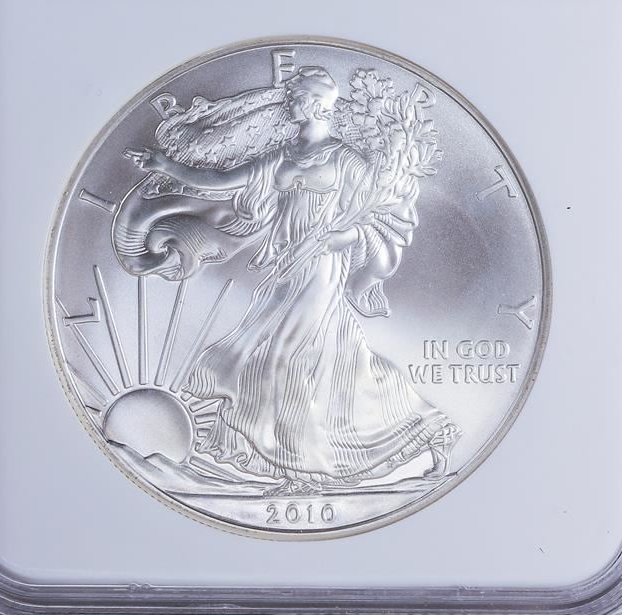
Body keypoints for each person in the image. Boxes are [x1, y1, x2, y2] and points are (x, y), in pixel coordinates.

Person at [125, 66, 458, 492]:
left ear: (317, 105)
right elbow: (224, 181)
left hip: (322, 265)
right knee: (332, 359)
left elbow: (380, 215)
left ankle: (303, 471)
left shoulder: (346, 161)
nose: (289, 105)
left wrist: (346, 235)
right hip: (287, 267)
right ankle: (428, 428)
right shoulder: (282, 155)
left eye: (296, 99)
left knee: (287, 355)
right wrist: (166, 165)